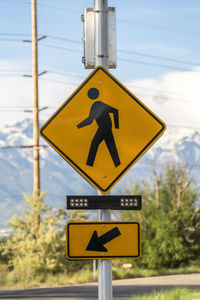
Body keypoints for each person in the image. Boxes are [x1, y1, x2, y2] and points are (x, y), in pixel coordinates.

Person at [77, 88, 121, 167]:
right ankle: (118, 164)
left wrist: (117, 126)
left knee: (94, 143)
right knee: (111, 146)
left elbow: (115, 111)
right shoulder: (96, 105)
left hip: (104, 127)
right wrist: (79, 126)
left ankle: (89, 164)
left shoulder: (98, 105)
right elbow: (90, 120)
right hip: (106, 127)